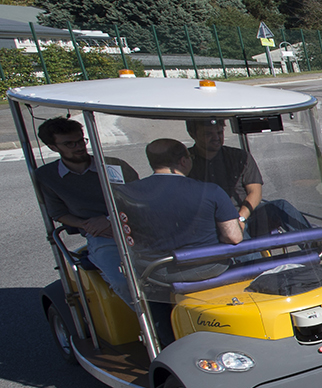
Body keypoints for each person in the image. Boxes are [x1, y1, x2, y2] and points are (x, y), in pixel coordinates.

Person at [119, 138, 243, 343]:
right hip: (208, 268)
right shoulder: (210, 190)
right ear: (184, 161)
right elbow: (234, 236)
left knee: (146, 286)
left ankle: (164, 342)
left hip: (156, 273)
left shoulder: (125, 193)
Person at [33, 117, 140, 307]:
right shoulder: (47, 176)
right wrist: (87, 225)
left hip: (135, 226)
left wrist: (109, 219)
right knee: (122, 281)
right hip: (102, 236)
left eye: (81, 140)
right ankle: (154, 328)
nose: (78, 147)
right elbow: (58, 213)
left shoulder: (113, 166)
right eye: (69, 143)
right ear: (53, 147)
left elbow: (139, 198)